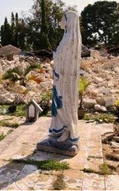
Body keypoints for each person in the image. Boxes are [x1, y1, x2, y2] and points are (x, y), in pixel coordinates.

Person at [37, 11, 81, 156]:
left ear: (69, 20)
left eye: (63, 18)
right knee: (58, 102)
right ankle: (60, 129)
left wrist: (56, 57)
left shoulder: (70, 38)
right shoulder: (67, 36)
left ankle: (67, 130)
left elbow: (67, 59)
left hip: (65, 78)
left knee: (64, 102)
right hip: (60, 77)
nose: (61, 21)